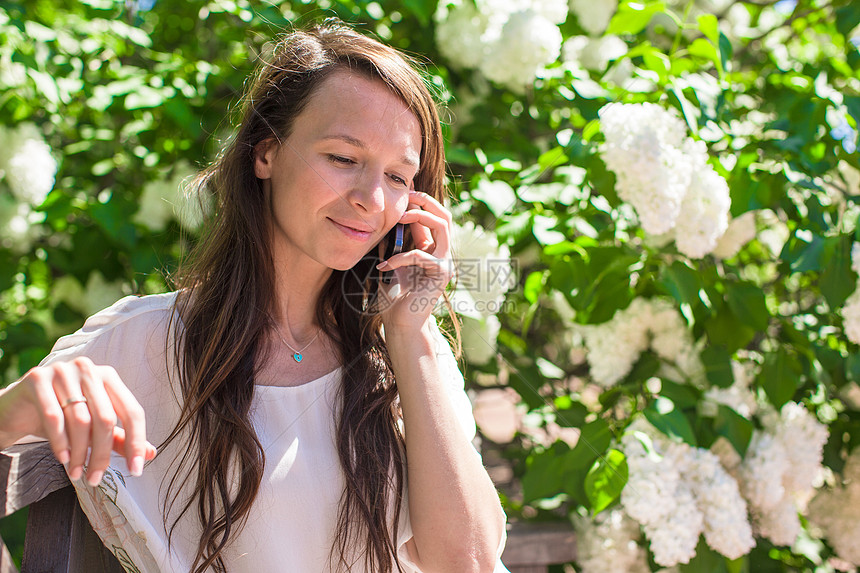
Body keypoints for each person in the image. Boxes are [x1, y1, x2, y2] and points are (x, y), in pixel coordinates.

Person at [0, 20, 508, 573]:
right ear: (266, 153)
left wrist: (410, 331)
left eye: (397, 176)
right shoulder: (145, 342)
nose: (370, 198)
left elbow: (472, 563)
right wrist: (21, 405)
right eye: (343, 158)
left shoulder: (408, 357)